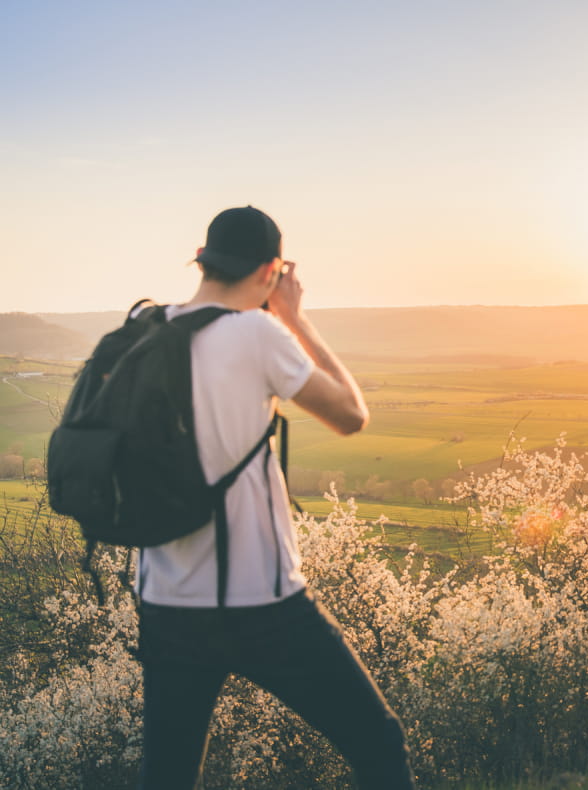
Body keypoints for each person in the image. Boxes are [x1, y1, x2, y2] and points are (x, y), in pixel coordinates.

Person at [134, 206, 415, 789]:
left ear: (203, 261)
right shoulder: (257, 332)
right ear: (270, 270)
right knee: (379, 745)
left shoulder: (146, 326)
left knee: (168, 777)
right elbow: (350, 414)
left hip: (164, 600)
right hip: (262, 602)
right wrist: (296, 318)